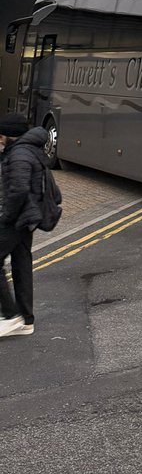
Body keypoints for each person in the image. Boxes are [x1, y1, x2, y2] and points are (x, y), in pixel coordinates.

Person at [0, 113, 51, 339]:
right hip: (26, 218)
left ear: (7, 136)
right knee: (21, 265)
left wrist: (6, 217)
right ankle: (26, 321)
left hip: (17, 218)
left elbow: (19, 190)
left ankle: (11, 315)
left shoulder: (19, 154)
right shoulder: (25, 150)